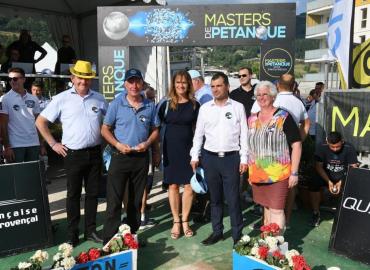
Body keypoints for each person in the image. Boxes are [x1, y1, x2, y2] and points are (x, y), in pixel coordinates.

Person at [36, 60, 108, 246]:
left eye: (87, 78)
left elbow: (108, 124)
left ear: (90, 80)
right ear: (72, 77)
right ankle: (72, 234)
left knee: (93, 194)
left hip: (94, 153)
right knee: (73, 195)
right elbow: (40, 122)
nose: (83, 82)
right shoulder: (61, 98)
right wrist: (53, 144)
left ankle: (90, 231)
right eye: (80, 78)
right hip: (72, 154)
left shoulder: (99, 98)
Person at [101, 68, 159, 245]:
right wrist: (117, 144)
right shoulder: (116, 104)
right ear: (125, 84)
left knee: (135, 201)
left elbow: (155, 130)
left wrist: (148, 144)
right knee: (114, 201)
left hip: (140, 159)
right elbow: (105, 129)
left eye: (137, 81)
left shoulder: (150, 105)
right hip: (119, 157)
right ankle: (109, 241)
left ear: (142, 83)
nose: (134, 85)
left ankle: (131, 238)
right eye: (130, 81)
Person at [190, 72, 248, 246]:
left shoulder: (238, 107)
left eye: (219, 86)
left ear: (227, 86)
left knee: (233, 199)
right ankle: (217, 232)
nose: (215, 89)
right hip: (210, 159)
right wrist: (195, 155)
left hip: (231, 159)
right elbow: (198, 134)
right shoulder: (205, 108)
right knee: (214, 199)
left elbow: (244, 135)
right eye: (213, 86)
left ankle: (238, 235)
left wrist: (244, 158)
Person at [246, 81, 302, 231]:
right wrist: (250, 173)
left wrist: (294, 173)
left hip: (279, 175)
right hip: (257, 175)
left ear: (272, 96)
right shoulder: (251, 119)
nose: (261, 97)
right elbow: (249, 147)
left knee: (277, 210)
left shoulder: (283, 116)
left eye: (265, 94)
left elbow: (296, 144)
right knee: (267, 208)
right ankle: (267, 242)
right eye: (258, 95)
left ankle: (274, 246)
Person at [158, 70, 200, 239]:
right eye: (178, 82)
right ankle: (176, 221)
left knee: (189, 186)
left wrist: (197, 153)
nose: (181, 85)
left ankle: (185, 221)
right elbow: (156, 127)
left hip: (189, 151)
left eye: (184, 82)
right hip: (170, 150)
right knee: (173, 185)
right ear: (173, 85)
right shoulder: (165, 104)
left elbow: (199, 130)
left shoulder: (195, 105)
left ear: (189, 84)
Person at [309, 131, 358, 227]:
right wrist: (329, 182)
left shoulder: (349, 148)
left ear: (342, 141)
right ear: (327, 142)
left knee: (355, 182)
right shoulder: (321, 147)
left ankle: (347, 214)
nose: (335, 149)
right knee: (313, 182)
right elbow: (318, 166)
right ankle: (316, 213)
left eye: (338, 146)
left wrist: (341, 182)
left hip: (343, 175)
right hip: (326, 175)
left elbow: (353, 167)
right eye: (332, 147)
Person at [0, 67, 45, 163]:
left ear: (23, 79)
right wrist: (7, 146)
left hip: (33, 143)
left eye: (15, 78)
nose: (12, 81)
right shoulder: (5, 99)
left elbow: (39, 123)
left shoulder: (33, 99)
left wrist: (41, 144)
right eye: (10, 79)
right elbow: (2, 125)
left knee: (32, 175)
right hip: (15, 145)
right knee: (16, 176)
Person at [139, 85, 160, 230]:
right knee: (143, 186)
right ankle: (140, 218)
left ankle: (141, 214)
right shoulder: (145, 110)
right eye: (150, 98)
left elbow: (155, 135)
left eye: (153, 98)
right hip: (138, 155)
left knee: (147, 185)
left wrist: (157, 152)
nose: (153, 101)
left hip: (149, 154)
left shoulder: (152, 111)